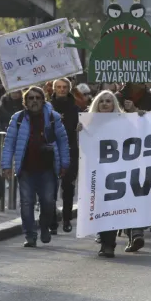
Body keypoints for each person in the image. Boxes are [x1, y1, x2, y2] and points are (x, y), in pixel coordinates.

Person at [1, 86, 70, 248]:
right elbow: (9, 144)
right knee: (26, 202)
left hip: (48, 169)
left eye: (38, 98)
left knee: (48, 202)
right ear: (25, 101)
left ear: (43, 100)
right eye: (31, 98)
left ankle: (45, 226)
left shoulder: (54, 118)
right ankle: (30, 235)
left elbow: (63, 141)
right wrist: (6, 165)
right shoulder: (17, 119)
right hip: (26, 169)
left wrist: (65, 164)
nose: (34, 101)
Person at [82, 90, 141, 258]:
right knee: (101, 208)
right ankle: (105, 242)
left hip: (119, 173)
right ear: (97, 105)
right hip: (97, 173)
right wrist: (80, 132)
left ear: (114, 104)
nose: (105, 104)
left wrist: (139, 117)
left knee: (113, 208)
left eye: (109, 101)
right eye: (102, 101)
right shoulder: (89, 124)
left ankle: (110, 244)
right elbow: (84, 150)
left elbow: (135, 141)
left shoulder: (124, 122)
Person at [50, 78, 83, 234]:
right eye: (59, 87)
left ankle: (67, 218)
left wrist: (82, 126)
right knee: (49, 187)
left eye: (64, 87)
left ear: (69, 89)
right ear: (54, 89)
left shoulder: (76, 108)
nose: (61, 90)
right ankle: (52, 220)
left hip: (70, 150)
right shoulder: (47, 107)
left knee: (68, 186)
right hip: (50, 151)